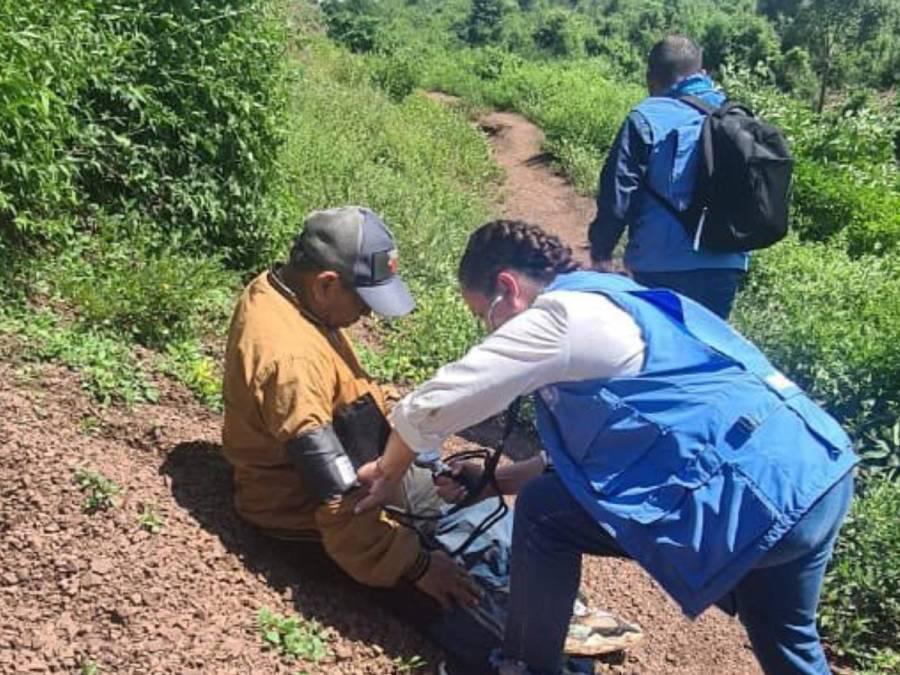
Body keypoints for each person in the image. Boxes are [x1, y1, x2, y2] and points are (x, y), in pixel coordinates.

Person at [356, 219, 857, 675]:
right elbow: (608, 448)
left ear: (507, 288)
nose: (489, 330)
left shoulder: (560, 317)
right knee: (786, 639)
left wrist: (389, 471)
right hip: (816, 474)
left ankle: (522, 669)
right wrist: (496, 480)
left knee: (544, 515)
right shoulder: (617, 298)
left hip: (754, 498)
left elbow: (436, 403)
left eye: (483, 316)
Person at [221, 207, 631, 675]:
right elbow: (340, 502)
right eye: (364, 302)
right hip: (315, 521)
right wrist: (416, 567)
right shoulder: (290, 361)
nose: (365, 316)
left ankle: (547, 607)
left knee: (478, 510)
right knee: (467, 605)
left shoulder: (293, 294)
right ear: (328, 283)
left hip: (365, 469)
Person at [589, 35, 748, 319]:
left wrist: (601, 252)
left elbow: (617, 194)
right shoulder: (736, 117)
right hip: (725, 265)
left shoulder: (646, 117)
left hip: (659, 265)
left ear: (651, 79)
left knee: (661, 353)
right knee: (708, 353)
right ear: (704, 73)